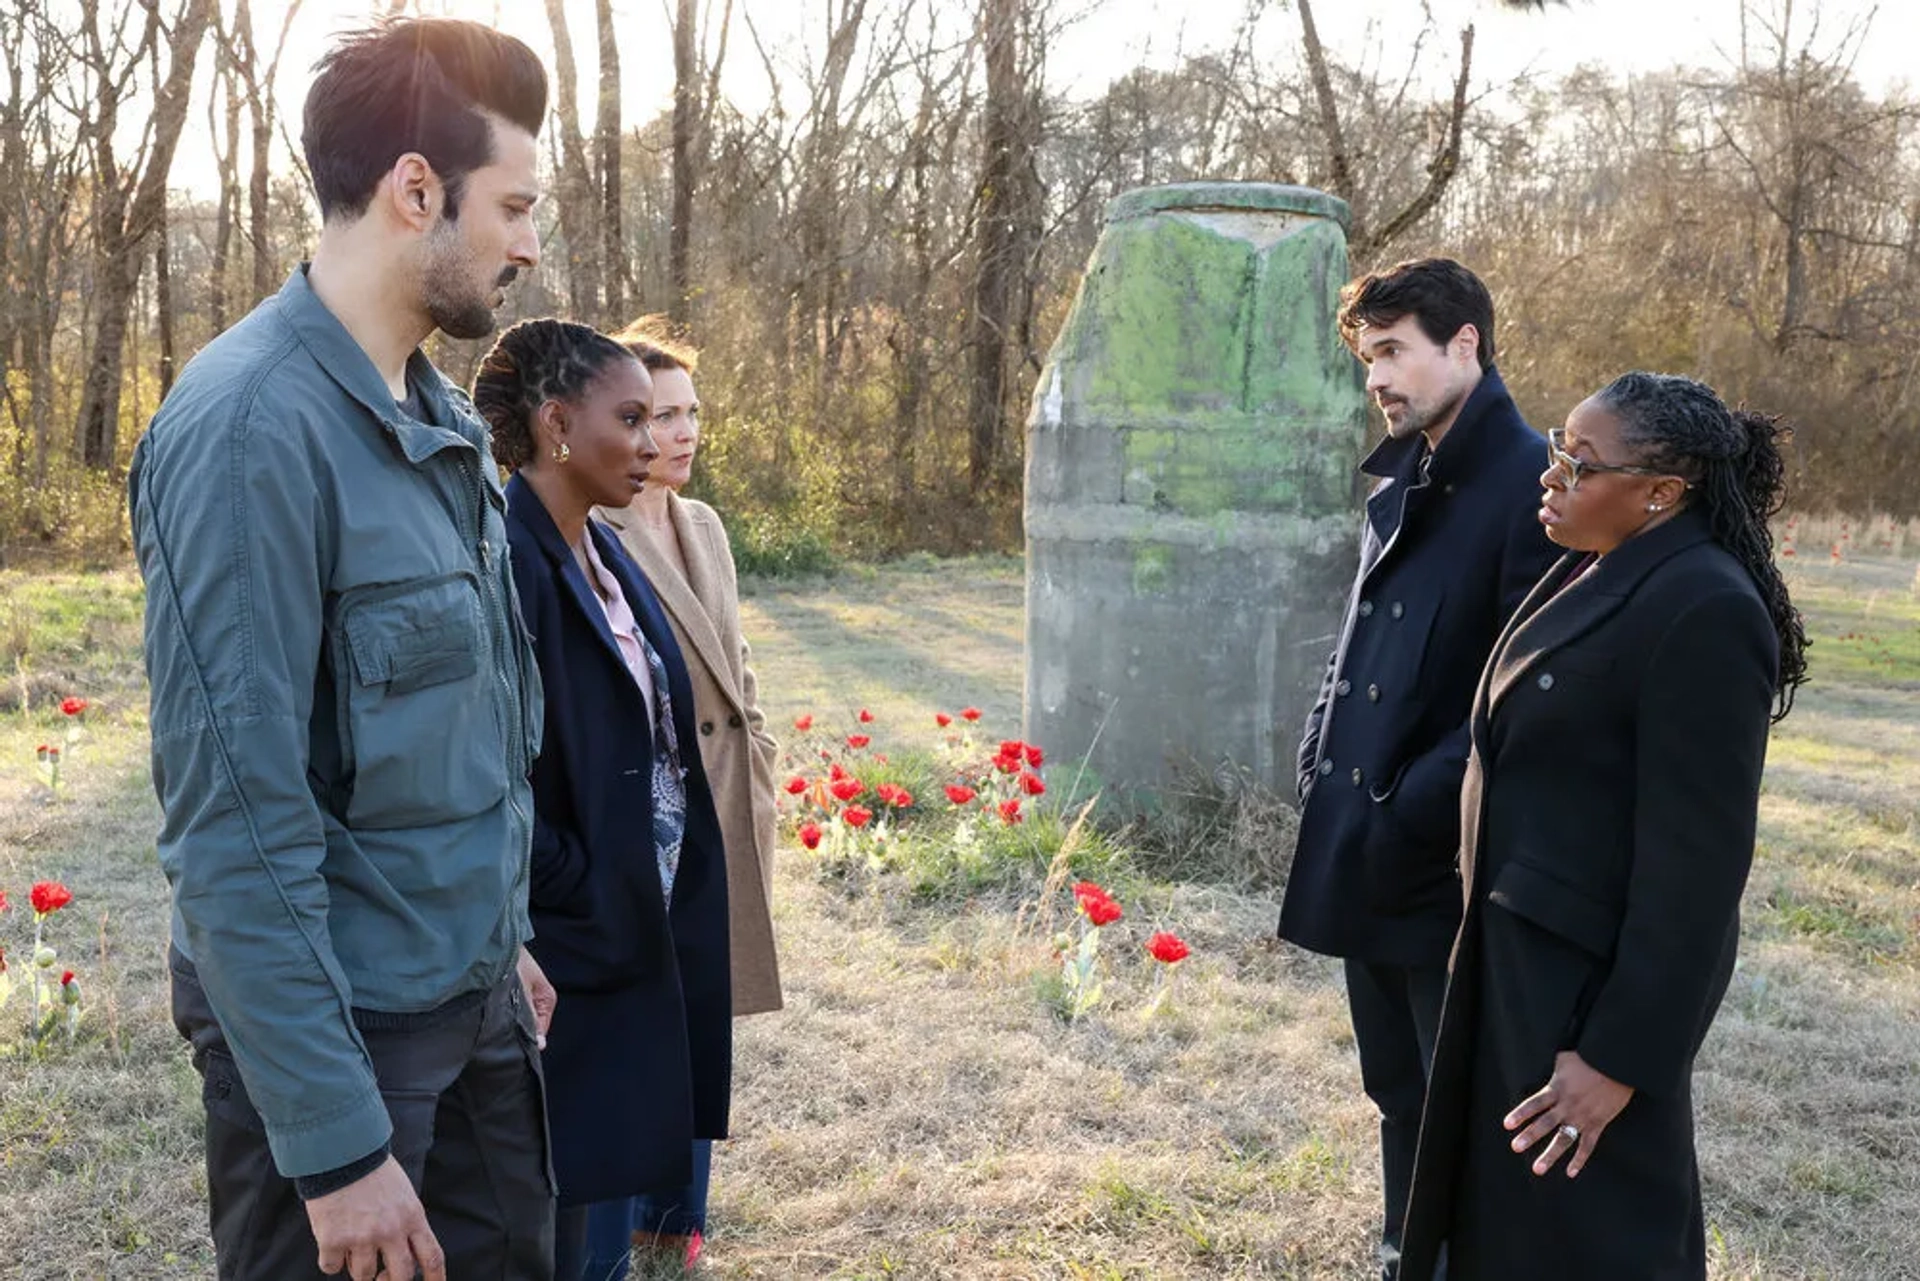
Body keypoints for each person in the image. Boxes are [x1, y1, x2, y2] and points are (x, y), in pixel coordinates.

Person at [129, 19, 555, 1280]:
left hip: (469, 1001)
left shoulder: (432, 414)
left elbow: (451, 733)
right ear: (415, 188)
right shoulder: (249, 432)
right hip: (343, 1046)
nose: (530, 245)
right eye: (516, 206)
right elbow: (236, 826)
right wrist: (334, 1149)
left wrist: (501, 941)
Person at [1397, 373, 1807, 1281]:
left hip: (1586, 998)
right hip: (1516, 967)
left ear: (1663, 490)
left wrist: (1619, 1057)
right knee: (1508, 1233)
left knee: (1598, 1240)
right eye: (1554, 447)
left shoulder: (1704, 607)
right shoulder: (1596, 563)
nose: (1550, 476)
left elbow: (1696, 874)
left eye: (1577, 464)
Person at [1277, 257, 1560, 1279]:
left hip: (1451, 860)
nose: (1377, 380)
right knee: (1396, 1087)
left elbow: (1519, 694)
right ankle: (1404, 1256)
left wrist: (1411, 805)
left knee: (1460, 1100)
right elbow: (1352, 650)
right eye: (1366, 359)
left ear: (1466, 344)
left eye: (1392, 351)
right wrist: (1315, 756)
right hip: (1363, 837)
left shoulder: (1536, 489)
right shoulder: (1398, 478)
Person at [472, 319, 733, 1281]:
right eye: (629, 418)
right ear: (554, 424)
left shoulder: (605, 550)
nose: (653, 438)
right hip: (575, 929)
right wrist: (574, 885)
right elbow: (494, 763)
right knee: (568, 1202)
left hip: (642, 911)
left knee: (614, 1197)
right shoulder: (510, 560)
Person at [585, 321, 783, 1272]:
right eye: (660, 414)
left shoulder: (702, 523)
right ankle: (628, 1208)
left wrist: (765, 756)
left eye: (691, 412)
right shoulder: (598, 524)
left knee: (703, 1009)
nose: (682, 431)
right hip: (658, 809)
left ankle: (677, 1212)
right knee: (643, 1017)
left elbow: (736, 665)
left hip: (729, 801)